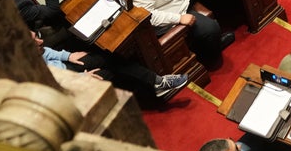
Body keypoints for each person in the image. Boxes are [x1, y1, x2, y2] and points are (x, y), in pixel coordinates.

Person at [32, 29, 188, 102]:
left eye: (36, 36)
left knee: (107, 57)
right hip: (64, 86)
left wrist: (66, 56)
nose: (41, 41)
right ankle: (152, 90)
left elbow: (45, 51)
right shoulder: (27, 69)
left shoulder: (31, 46)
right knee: (108, 74)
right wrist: (80, 78)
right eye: (35, 42)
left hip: (65, 66)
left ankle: (156, 82)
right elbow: (50, 85)